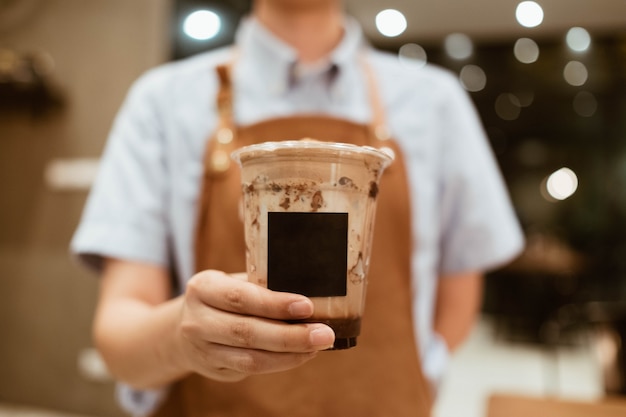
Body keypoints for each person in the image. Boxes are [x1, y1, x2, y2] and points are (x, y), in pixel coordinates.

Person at [71, 0, 524, 415]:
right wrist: (182, 338)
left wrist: (421, 375)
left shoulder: (434, 102)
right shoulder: (163, 102)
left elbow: (458, 301)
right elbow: (119, 338)